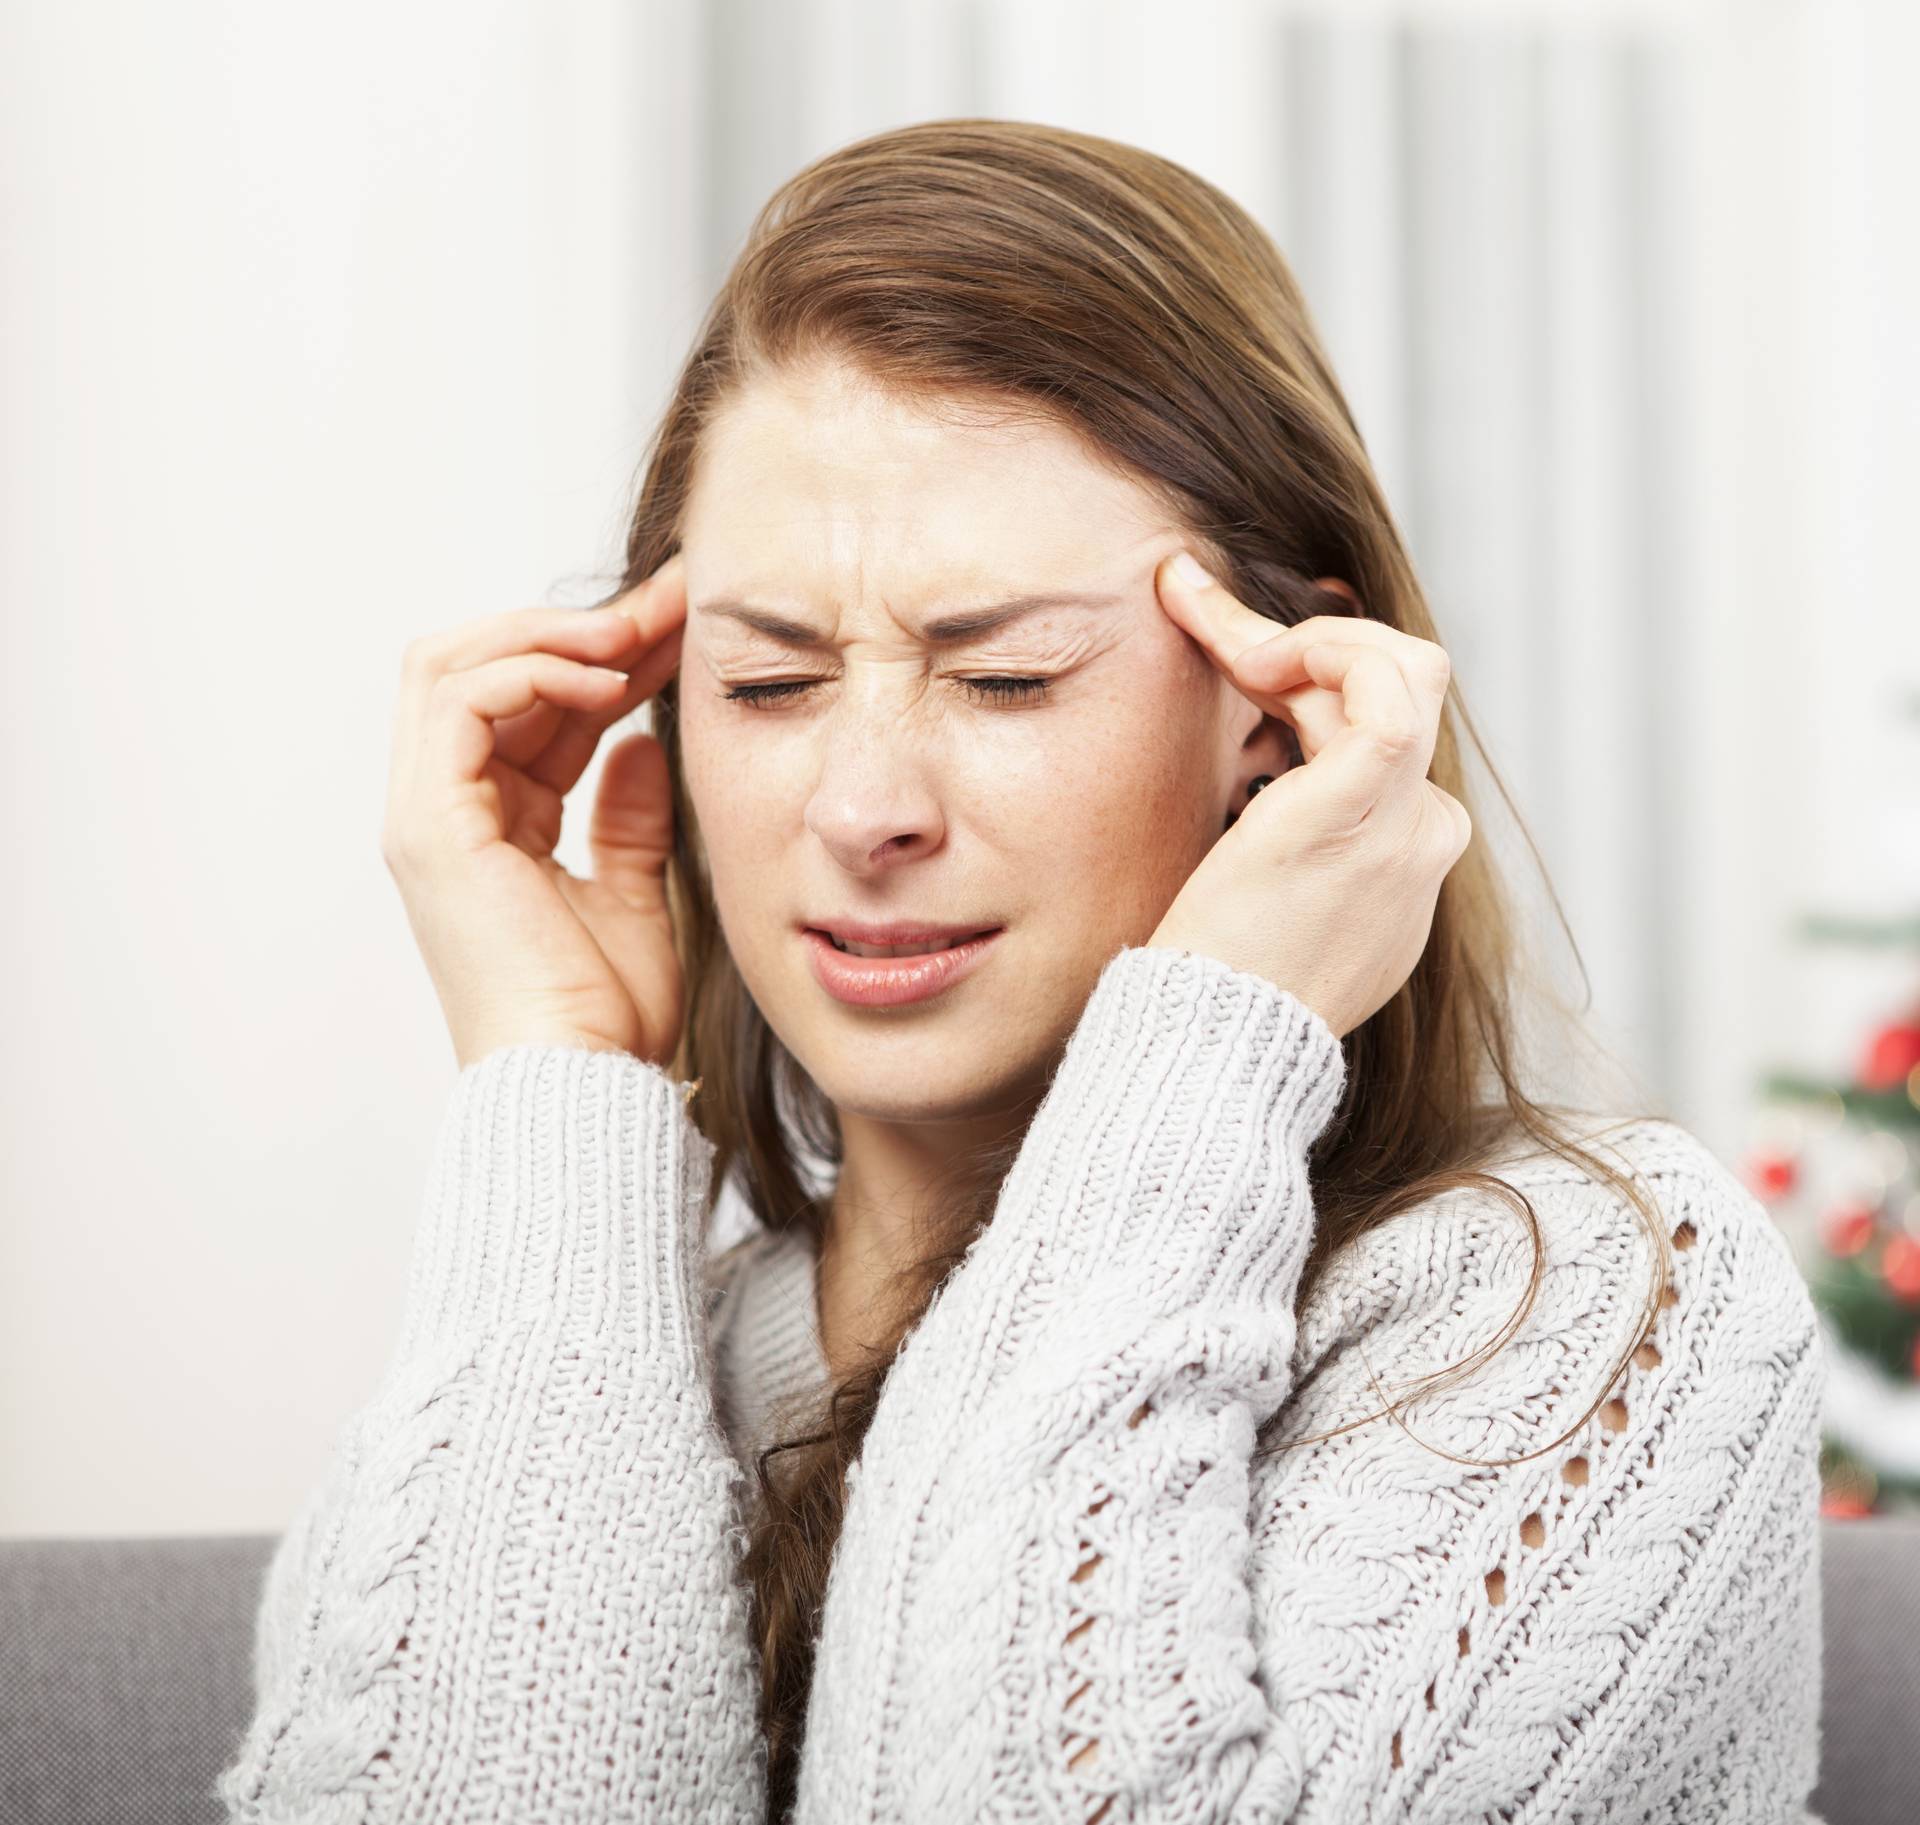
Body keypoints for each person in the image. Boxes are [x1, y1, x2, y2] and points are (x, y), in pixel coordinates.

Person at [215, 119, 1825, 1823]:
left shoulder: (1586, 1304)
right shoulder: (602, 1355)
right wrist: (553, 1082)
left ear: (1282, 719)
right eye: (766, 684)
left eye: (1007, 679)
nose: (863, 808)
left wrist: (1211, 1050)